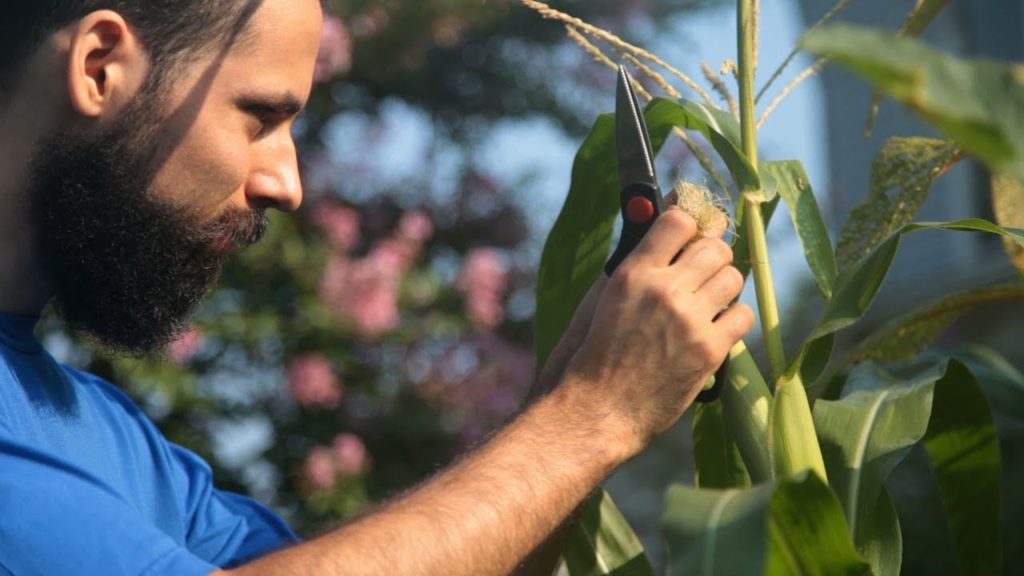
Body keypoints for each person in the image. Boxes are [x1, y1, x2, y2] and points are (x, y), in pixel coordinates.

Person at [0, 0, 754, 574]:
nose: (286, 183)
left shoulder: (98, 434)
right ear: (99, 67)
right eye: (259, 117)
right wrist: (596, 415)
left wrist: (584, 378)